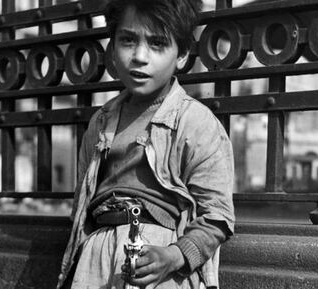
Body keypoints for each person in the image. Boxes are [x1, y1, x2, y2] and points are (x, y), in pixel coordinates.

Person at [57, 0, 235, 288]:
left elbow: (217, 217)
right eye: (128, 40)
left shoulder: (197, 123)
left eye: (157, 44)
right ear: (112, 48)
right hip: (95, 257)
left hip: (160, 262)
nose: (139, 56)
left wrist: (176, 255)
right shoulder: (100, 123)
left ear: (182, 55)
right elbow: (81, 206)